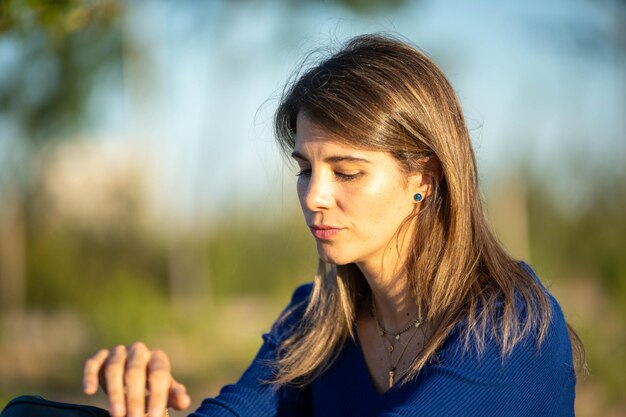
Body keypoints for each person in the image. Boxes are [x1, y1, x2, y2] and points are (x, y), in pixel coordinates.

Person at [82, 34, 584, 417]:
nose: (314, 196)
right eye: (305, 169)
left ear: (424, 180)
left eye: (347, 172)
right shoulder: (313, 323)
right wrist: (142, 397)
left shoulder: (510, 329)